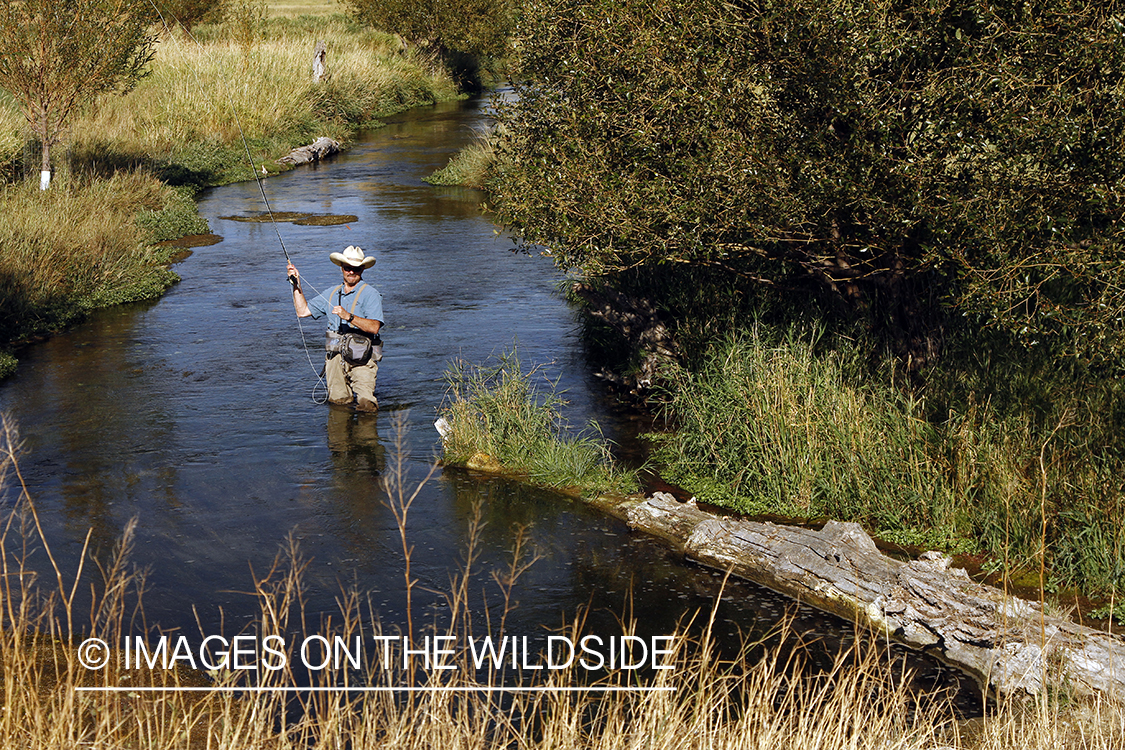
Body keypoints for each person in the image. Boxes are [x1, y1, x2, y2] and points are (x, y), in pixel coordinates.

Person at [288, 245, 384, 411]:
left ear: (362, 269)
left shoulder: (371, 294)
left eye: (356, 269)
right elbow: (302, 311)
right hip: (334, 358)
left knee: (367, 404)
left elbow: (375, 327)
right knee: (339, 405)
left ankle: (367, 437)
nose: (351, 272)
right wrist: (296, 284)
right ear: (342, 269)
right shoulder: (331, 293)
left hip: (363, 359)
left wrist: (349, 317)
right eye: (348, 268)